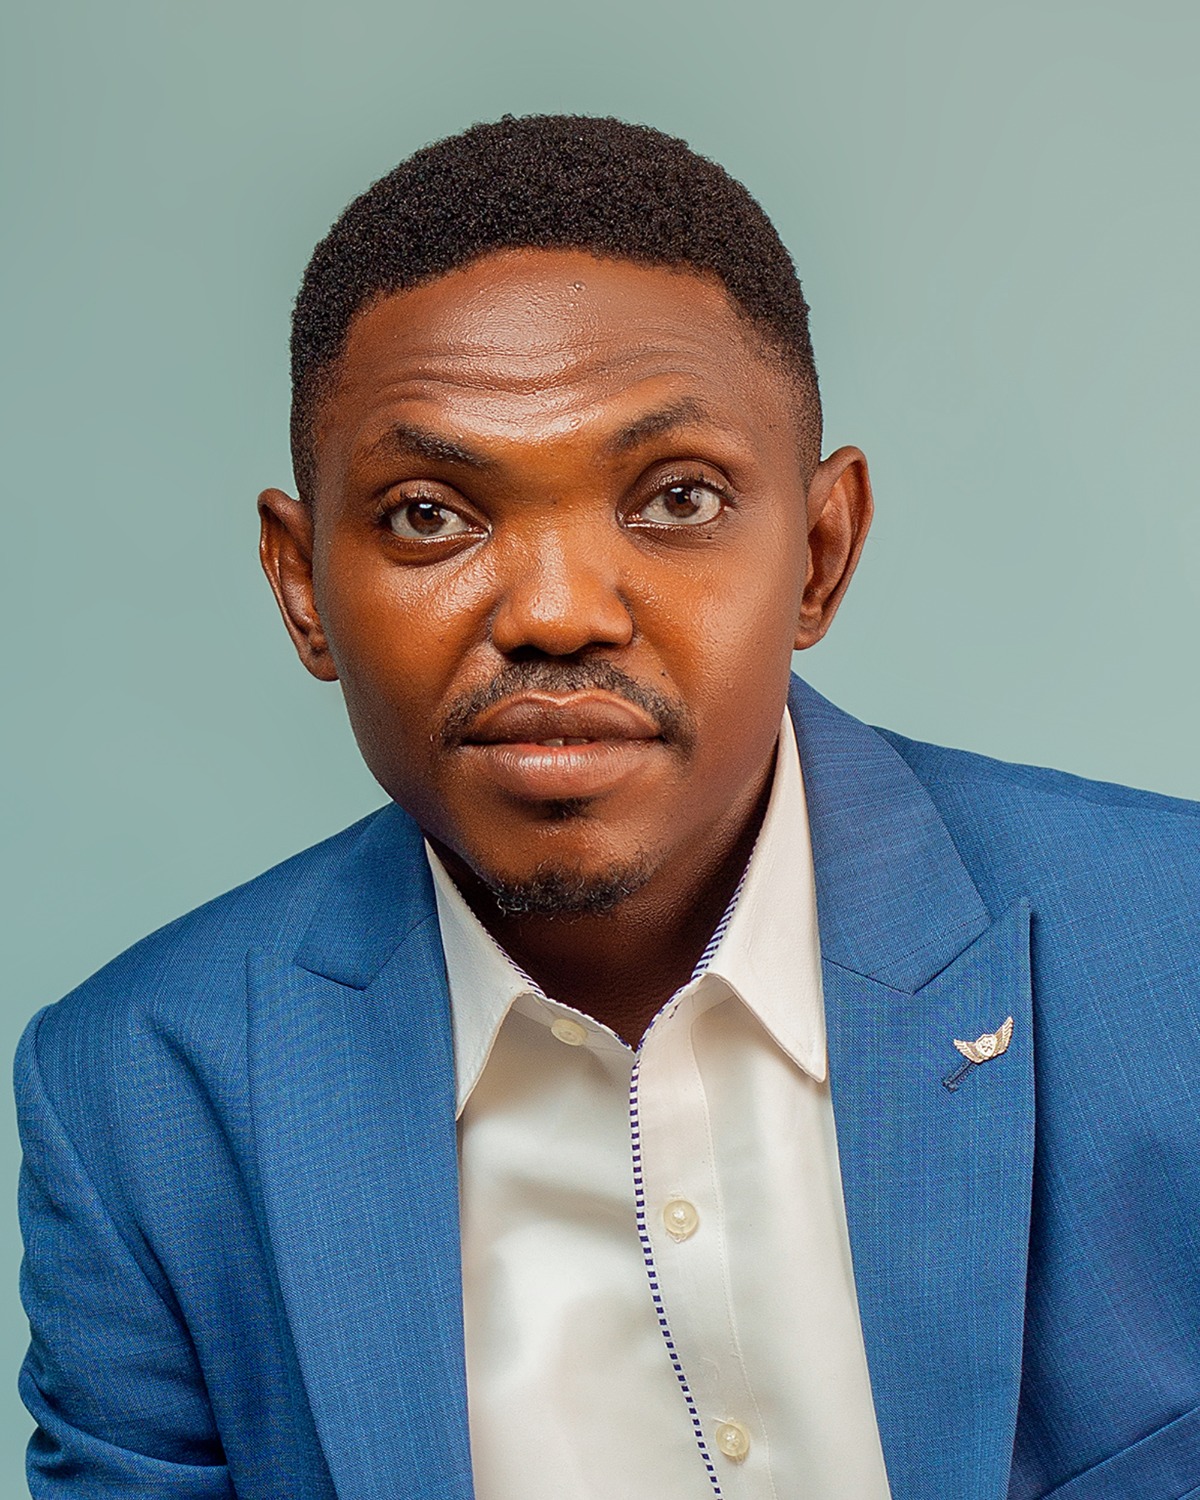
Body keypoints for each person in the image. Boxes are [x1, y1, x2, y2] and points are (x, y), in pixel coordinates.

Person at [14, 114, 1200, 1500]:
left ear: (821, 554)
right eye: (428, 514)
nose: (558, 612)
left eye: (676, 498)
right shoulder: (140, 1102)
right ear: (301, 585)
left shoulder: (1172, 953)